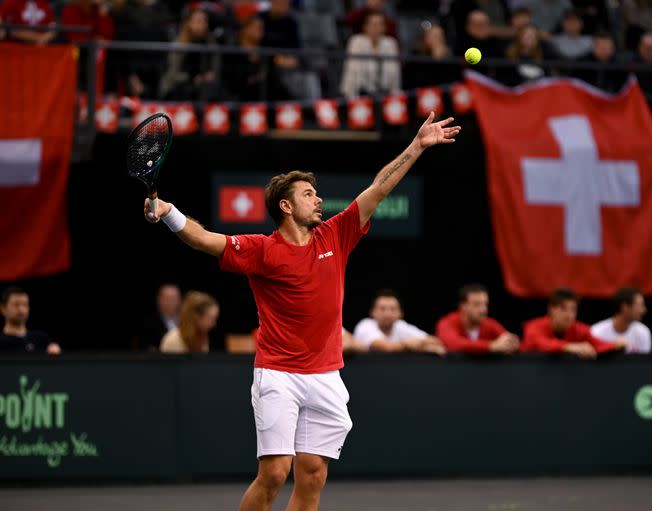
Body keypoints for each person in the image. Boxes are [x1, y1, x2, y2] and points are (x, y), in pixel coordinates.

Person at [142, 112, 460, 511]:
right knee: (275, 473)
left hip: (326, 374)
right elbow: (206, 240)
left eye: (317, 192)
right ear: (287, 205)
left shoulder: (336, 234)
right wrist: (168, 212)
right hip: (279, 373)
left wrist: (416, 146)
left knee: (312, 476)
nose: (319, 199)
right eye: (309, 194)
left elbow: (378, 189)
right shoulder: (261, 249)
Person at [520, 288, 626, 359]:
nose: (569, 315)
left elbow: (596, 346)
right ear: (551, 309)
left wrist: (614, 345)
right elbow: (542, 343)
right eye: (563, 308)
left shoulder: (579, 329)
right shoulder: (534, 327)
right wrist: (568, 347)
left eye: (573, 310)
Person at [352, 289, 445, 355]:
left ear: (400, 313)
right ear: (372, 312)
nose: (387, 313)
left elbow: (435, 341)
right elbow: (387, 348)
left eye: (393, 309)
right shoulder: (365, 325)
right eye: (382, 309)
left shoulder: (401, 326)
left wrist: (419, 344)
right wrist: (409, 344)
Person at [435, 284, 518, 354]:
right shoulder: (447, 323)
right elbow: (452, 343)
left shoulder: (490, 324)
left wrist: (511, 342)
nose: (483, 309)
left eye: (485, 304)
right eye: (477, 304)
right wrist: (490, 346)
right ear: (463, 306)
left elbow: (507, 339)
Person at [158, 7, 221, 101]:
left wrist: (210, 76)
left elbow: (215, 68)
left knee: (214, 90)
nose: (202, 25)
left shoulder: (210, 43)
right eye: (198, 21)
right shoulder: (179, 45)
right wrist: (192, 78)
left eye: (204, 21)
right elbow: (172, 75)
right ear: (188, 23)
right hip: (176, 88)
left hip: (203, 87)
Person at [340, 11, 401, 99]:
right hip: (361, 92)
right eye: (373, 24)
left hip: (385, 93)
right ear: (365, 26)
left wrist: (395, 94)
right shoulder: (356, 41)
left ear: (384, 27)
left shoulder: (390, 43)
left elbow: (395, 71)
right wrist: (352, 96)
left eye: (380, 24)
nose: (376, 27)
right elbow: (353, 71)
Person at [590, 287, 652, 353]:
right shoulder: (596, 332)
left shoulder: (643, 332)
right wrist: (613, 346)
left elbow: (644, 362)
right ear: (625, 307)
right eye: (640, 305)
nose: (644, 310)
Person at [0, 287, 61, 354]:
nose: (21, 309)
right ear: (3, 308)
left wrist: (56, 352)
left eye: (25, 305)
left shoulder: (41, 339)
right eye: (16, 305)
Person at [135, 283, 181, 351]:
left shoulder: (186, 321)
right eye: (167, 298)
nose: (170, 302)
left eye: (173, 298)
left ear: (179, 300)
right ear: (159, 300)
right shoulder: (148, 323)